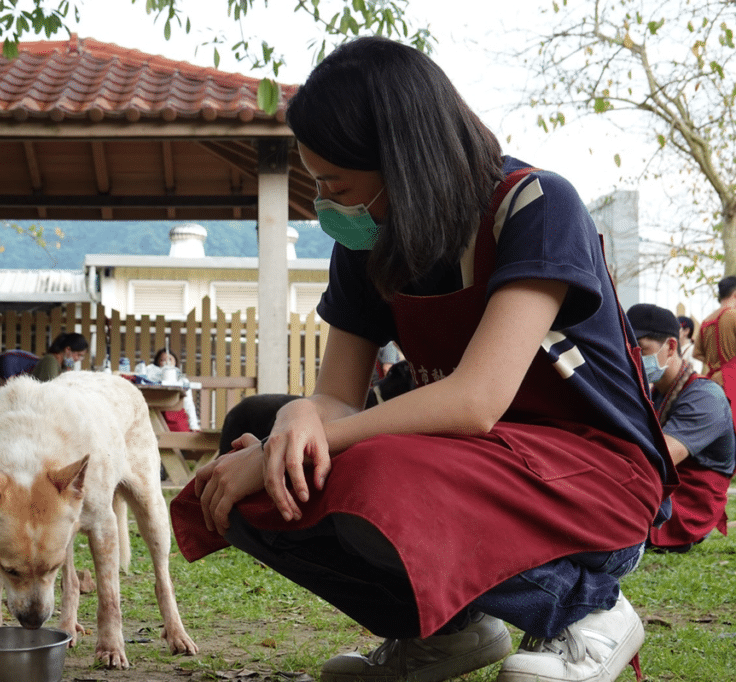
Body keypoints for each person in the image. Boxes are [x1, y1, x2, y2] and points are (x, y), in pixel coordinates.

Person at [169, 37, 675, 682]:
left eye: (336, 182)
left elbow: (474, 400)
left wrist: (300, 441)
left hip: (593, 475)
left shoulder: (535, 207)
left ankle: (587, 609)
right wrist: (296, 420)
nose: (325, 201)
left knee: (363, 468)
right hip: (472, 463)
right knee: (256, 460)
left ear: (402, 162)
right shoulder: (367, 240)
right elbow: (337, 394)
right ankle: (446, 633)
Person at [627, 304, 735, 553]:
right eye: (628, 351)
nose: (634, 360)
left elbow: (653, 461)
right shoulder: (653, 394)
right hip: (657, 491)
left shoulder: (706, 397)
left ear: (672, 346)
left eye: (641, 350)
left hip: (688, 507)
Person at [694, 277, 736, 413]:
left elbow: (697, 353)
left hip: (713, 383)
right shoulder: (733, 315)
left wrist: (716, 364)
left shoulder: (706, 320)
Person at [153, 348, 199, 431]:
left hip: (178, 417)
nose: (167, 362)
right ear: (157, 364)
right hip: (159, 417)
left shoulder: (182, 381)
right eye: (162, 360)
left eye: (170, 359)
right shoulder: (153, 380)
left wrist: (194, 425)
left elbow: (188, 404)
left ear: (175, 362)